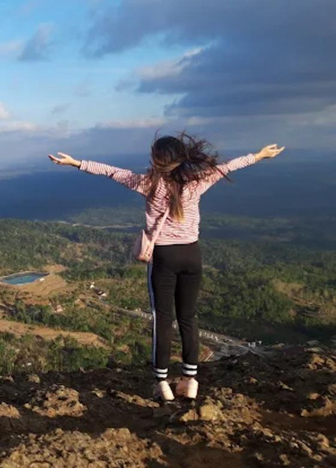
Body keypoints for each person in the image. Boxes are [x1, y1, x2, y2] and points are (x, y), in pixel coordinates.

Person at [48, 134, 285, 401]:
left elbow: (112, 172)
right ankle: (190, 381)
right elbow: (228, 166)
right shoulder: (199, 181)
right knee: (188, 318)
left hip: (163, 257)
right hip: (192, 255)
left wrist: (75, 162)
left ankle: (162, 384)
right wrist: (260, 154)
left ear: (157, 159)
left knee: (162, 319)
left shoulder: (148, 184)